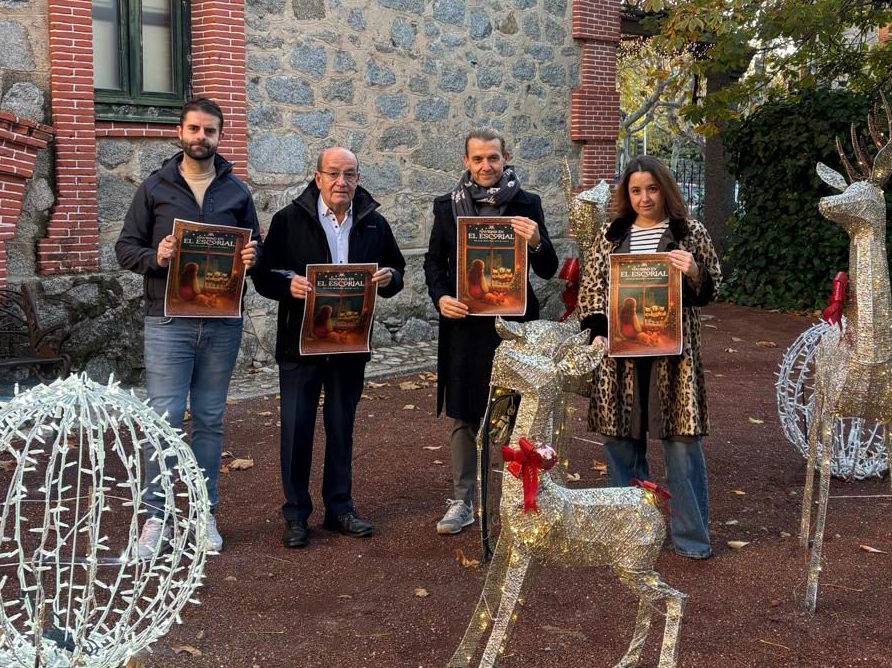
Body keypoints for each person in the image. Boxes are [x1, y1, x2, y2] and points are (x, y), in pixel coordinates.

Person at [116, 97, 261, 557]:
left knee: (210, 419)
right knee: (163, 418)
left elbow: (255, 248)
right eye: (195, 129)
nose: (202, 138)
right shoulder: (156, 187)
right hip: (168, 320)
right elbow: (125, 248)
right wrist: (154, 258)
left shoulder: (236, 192)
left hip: (221, 322)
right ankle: (156, 517)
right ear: (180, 133)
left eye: (211, 131)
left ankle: (203, 513)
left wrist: (251, 258)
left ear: (220, 136)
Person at [250, 148, 405, 548]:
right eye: (333, 174)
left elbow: (397, 269)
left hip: (350, 345)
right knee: (297, 430)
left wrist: (389, 277)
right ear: (317, 177)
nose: (342, 182)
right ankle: (296, 515)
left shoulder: (373, 222)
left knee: (341, 428)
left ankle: (339, 509)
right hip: (300, 346)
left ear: (358, 177)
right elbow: (264, 276)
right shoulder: (288, 220)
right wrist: (288, 285)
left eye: (349, 174)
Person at [577, 156, 722, 559]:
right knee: (621, 444)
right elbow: (590, 292)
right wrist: (599, 334)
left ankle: (691, 538)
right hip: (620, 358)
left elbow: (713, 287)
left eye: (652, 189)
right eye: (636, 190)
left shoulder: (689, 233)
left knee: (681, 445)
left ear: (665, 190)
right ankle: (631, 533)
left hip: (674, 358)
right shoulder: (610, 235)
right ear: (627, 194)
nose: (644, 197)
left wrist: (693, 271)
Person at [424, 127, 558, 535]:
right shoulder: (448, 208)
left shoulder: (527, 204)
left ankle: (521, 501)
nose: (486, 166)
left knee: (521, 413)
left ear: (506, 158)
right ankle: (462, 500)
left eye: (493, 158)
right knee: (465, 414)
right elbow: (434, 266)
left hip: (515, 328)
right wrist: (442, 297)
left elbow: (549, 269)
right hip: (465, 326)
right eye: (478, 159)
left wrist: (536, 241)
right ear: (466, 162)